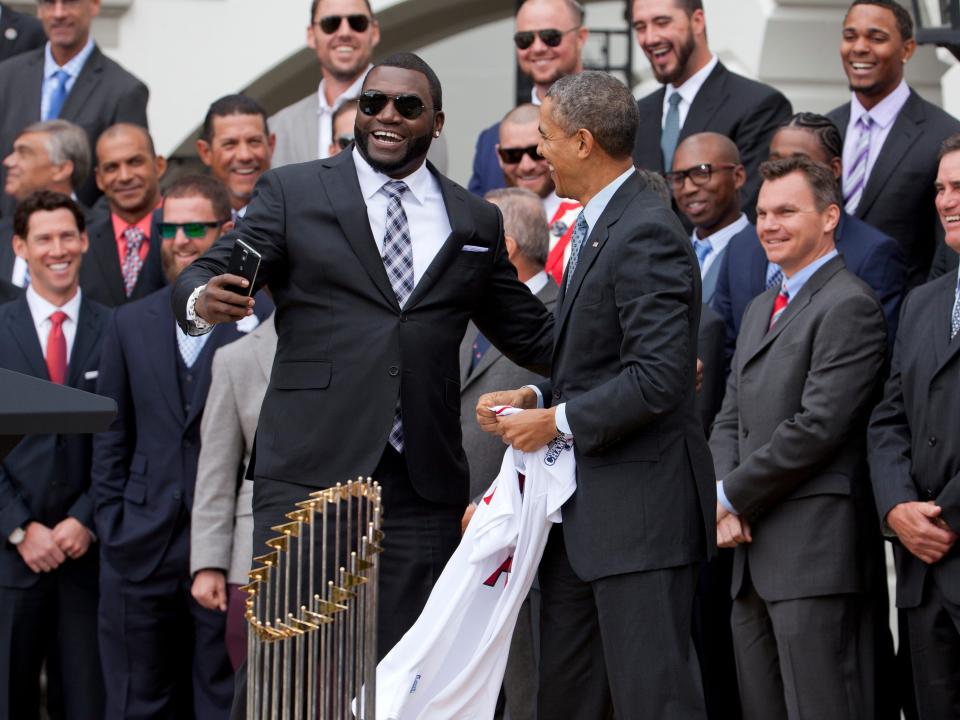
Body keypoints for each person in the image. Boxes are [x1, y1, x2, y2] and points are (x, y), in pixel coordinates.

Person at [173, 55, 555, 716]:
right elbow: (216, 268)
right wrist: (202, 300)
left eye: (406, 107)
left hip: (423, 484)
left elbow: (535, 336)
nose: (385, 116)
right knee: (292, 675)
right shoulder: (294, 192)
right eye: (372, 102)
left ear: (436, 123)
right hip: (310, 474)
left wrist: (637, 352)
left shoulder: (473, 220)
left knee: (408, 673)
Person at [479, 70, 712, 719]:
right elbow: (589, 354)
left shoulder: (644, 230)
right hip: (584, 518)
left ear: (582, 142)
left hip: (641, 518)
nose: (541, 153)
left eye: (547, 139)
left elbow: (659, 377)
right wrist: (533, 396)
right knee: (569, 698)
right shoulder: (599, 222)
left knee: (652, 700)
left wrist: (556, 421)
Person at [710, 156, 887, 720]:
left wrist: (729, 496)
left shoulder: (849, 305)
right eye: (761, 213)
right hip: (748, 554)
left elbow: (817, 428)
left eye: (786, 211)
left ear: (830, 216)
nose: (768, 224)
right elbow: (728, 418)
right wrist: (722, 498)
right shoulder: (763, 305)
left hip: (814, 556)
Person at [92, 176, 244, 720]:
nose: (181, 239)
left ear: (226, 231)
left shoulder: (260, 326)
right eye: (170, 227)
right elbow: (110, 436)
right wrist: (113, 524)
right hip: (138, 545)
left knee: (220, 700)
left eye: (196, 226)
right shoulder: (129, 322)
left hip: (225, 552)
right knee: (137, 699)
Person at [0, 190, 107, 719]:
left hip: (88, 558)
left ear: (84, 241)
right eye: (43, 238)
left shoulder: (117, 330)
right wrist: (19, 527)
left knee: (87, 702)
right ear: (21, 246)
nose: (57, 249)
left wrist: (84, 518)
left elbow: (125, 440)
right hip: (10, 559)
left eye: (67, 235)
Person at [867, 134, 960, 720]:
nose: (948, 200)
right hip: (923, 582)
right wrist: (897, 506)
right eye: (941, 189)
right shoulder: (926, 302)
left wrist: (944, 517)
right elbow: (889, 416)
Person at [460, 187, 556, 720]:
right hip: (454, 525)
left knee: (524, 690)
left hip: (518, 531)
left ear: (506, 246)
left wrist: (488, 500)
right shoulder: (462, 311)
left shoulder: (560, 316)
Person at [714, 112, 906, 365]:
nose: (785, 173)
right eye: (776, 163)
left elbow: (876, 361)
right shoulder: (742, 245)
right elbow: (724, 347)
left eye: (799, 163)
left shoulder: (873, 254)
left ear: (834, 169)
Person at [828, 0, 960, 287]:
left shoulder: (945, 134)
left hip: (901, 317)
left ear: (908, 49)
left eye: (877, 38)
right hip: (822, 319)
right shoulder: (824, 129)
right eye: (850, 36)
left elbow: (947, 255)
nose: (860, 47)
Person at [631, 0, 791, 221]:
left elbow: (749, 210)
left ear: (697, 21)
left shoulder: (759, 106)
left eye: (662, 22)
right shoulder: (637, 114)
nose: (650, 38)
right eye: (640, 27)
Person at [0, 0, 148, 215]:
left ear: (94, 5)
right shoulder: (6, 78)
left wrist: (82, 228)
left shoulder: (123, 90)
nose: (58, 13)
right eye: (49, 3)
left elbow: (126, 184)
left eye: (69, 2)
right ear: (39, 9)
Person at [191, 310, 276, 671]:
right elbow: (217, 469)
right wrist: (208, 563)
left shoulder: (357, 346)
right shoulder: (235, 358)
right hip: (251, 553)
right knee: (256, 686)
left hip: (340, 549)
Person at [468, 0, 587, 197]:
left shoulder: (618, 125)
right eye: (525, 39)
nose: (538, 47)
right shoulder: (490, 141)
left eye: (551, 37)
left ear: (580, 37)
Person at [270, 0, 379, 167]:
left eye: (357, 22)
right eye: (331, 23)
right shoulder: (279, 127)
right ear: (311, 35)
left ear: (375, 32)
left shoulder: (411, 110)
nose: (344, 32)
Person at [79, 123, 167, 307]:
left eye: (135, 162)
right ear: (99, 179)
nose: (125, 176)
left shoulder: (191, 230)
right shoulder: (81, 245)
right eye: (112, 168)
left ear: (159, 165)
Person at [495, 104, 581, 285]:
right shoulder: (486, 215)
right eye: (512, 155)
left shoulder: (586, 215)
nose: (526, 166)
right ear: (499, 156)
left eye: (536, 153)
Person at [0, 119, 90, 287]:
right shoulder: (3, 233)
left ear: (61, 169)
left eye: (24, 153)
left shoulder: (103, 233)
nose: (8, 162)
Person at [669, 132, 747, 306]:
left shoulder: (765, 250)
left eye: (701, 172)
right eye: (678, 178)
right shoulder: (669, 252)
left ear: (738, 177)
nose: (688, 188)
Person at [197, 94, 276, 221]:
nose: (244, 156)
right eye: (230, 144)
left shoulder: (297, 215)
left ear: (271, 145)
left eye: (254, 141)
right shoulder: (184, 224)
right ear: (206, 152)